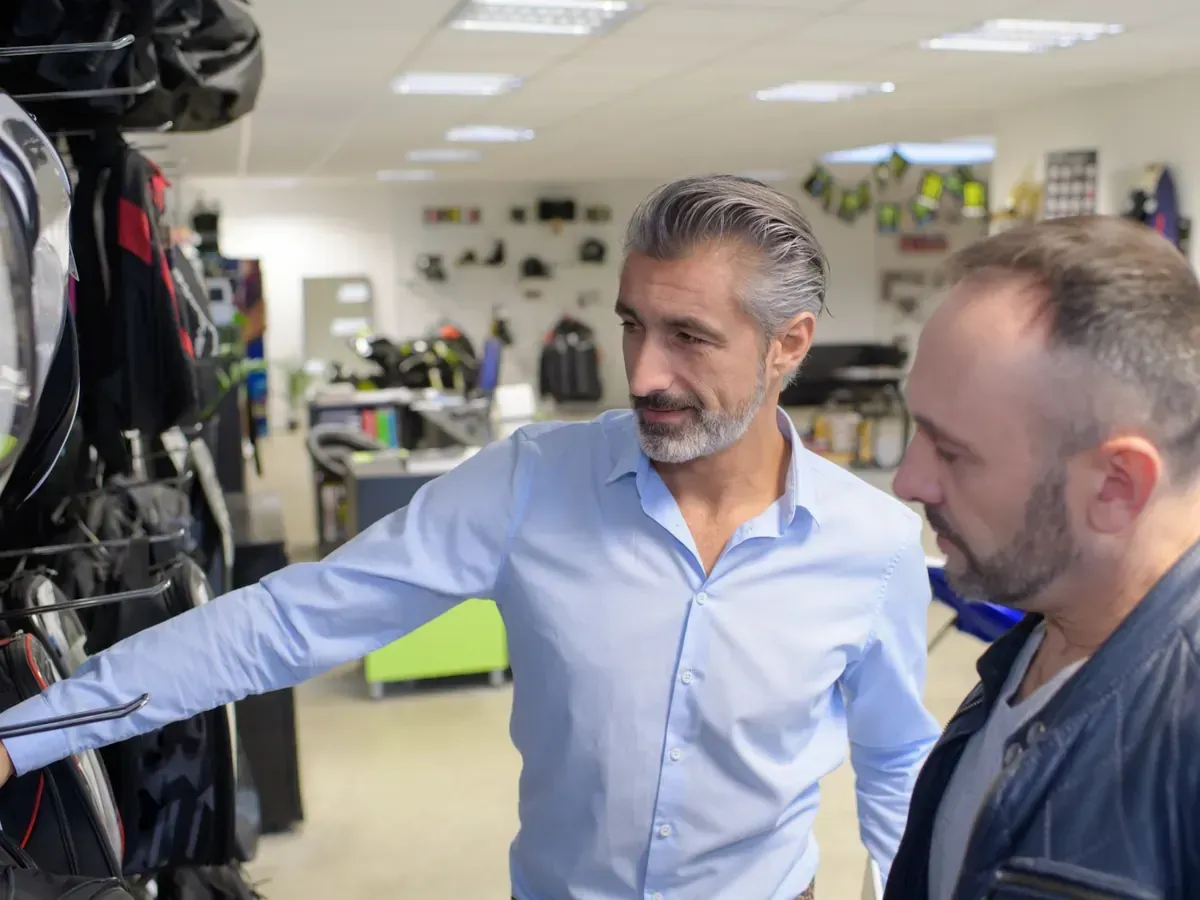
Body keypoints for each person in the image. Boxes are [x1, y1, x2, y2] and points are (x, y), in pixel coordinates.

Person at [0, 175, 939, 900]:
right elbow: (284, 623)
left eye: (690, 336)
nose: (644, 372)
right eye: (631, 325)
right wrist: (21, 735)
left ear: (789, 343)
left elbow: (897, 759)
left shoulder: (874, 546)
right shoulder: (532, 483)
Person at [887, 215, 1200, 900]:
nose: (907, 482)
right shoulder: (1040, 637)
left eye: (953, 452)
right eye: (918, 430)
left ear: (1116, 486)